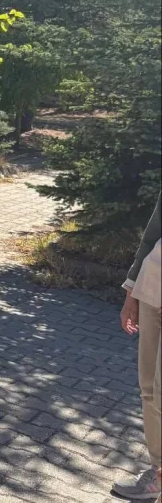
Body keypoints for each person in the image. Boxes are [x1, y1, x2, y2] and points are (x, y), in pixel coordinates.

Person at [114, 193, 162, 501]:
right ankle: (158, 472)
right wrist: (131, 291)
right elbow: (153, 233)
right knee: (148, 389)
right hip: (153, 285)